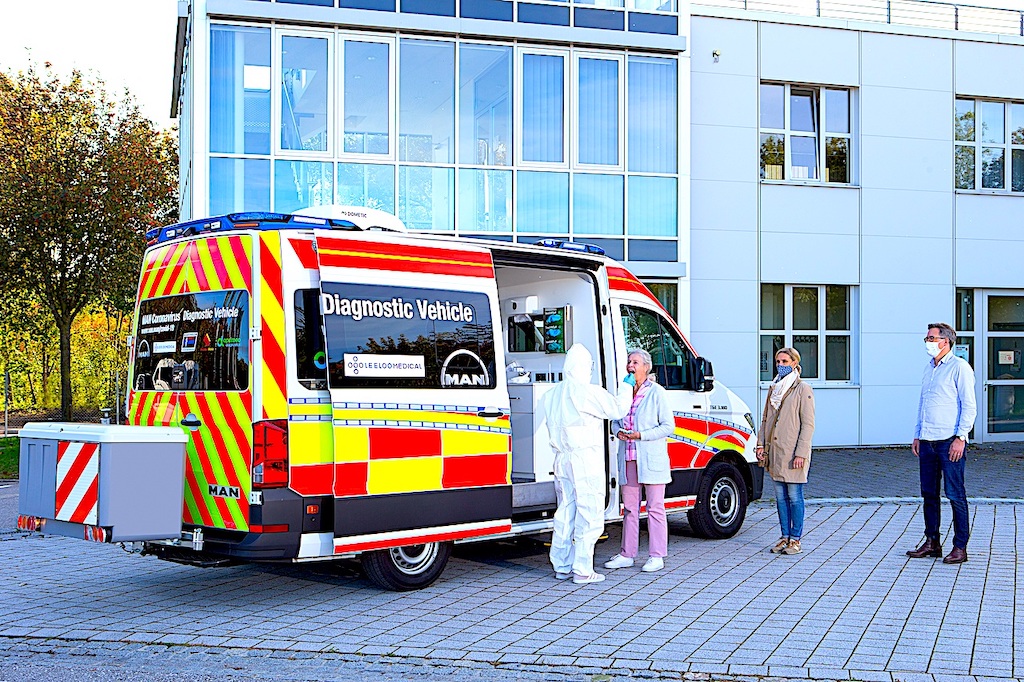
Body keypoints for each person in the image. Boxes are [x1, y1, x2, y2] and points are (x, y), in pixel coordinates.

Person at [539, 343, 631, 584]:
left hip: (562, 459)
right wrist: (627, 387)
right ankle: (582, 569)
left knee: (565, 511)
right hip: (584, 459)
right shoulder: (589, 392)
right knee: (589, 512)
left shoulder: (552, 394)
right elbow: (618, 409)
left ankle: (561, 565)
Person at [906, 323, 976, 565]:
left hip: (949, 441)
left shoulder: (959, 368)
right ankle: (932, 541)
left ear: (945, 341)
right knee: (928, 494)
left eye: (931, 337)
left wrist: (961, 437)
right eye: (927, 337)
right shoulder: (929, 369)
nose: (927, 341)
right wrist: (918, 434)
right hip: (927, 441)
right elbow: (923, 404)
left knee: (955, 494)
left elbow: (969, 406)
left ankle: (960, 546)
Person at [603, 349, 675, 573]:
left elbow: (667, 426)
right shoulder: (623, 392)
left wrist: (640, 435)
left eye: (635, 362)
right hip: (628, 458)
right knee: (631, 509)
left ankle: (656, 555)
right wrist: (619, 431)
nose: (630, 365)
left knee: (655, 507)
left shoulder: (657, 393)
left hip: (650, 459)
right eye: (628, 362)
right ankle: (627, 554)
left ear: (646, 367)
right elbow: (614, 420)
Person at [756, 347, 815, 556]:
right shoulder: (774, 388)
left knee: (794, 496)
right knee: (780, 497)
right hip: (775, 451)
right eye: (778, 361)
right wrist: (760, 444)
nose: (780, 365)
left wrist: (801, 453)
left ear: (794, 363)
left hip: (793, 452)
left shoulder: (802, 388)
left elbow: (808, 424)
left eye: (784, 361)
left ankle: (796, 539)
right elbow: (765, 419)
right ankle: (784, 535)